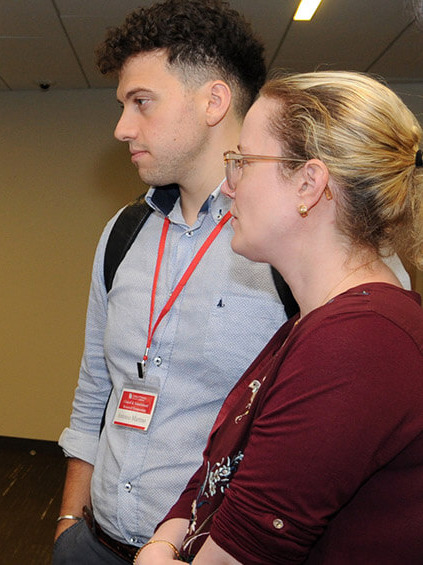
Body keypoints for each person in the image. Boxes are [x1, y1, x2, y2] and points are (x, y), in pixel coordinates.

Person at [134, 71, 423, 564]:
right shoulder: (314, 323)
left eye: (242, 162)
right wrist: (164, 543)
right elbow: (217, 471)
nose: (227, 188)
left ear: (309, 184)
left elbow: (244, 549)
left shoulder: (361, 341)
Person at [53, 2, 277, 562]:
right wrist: (67, 525)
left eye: (141, 103)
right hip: (95, 541)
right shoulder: (124, 232)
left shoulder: (292, 239)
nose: (122, 127)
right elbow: (94, 393)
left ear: (213, 101)